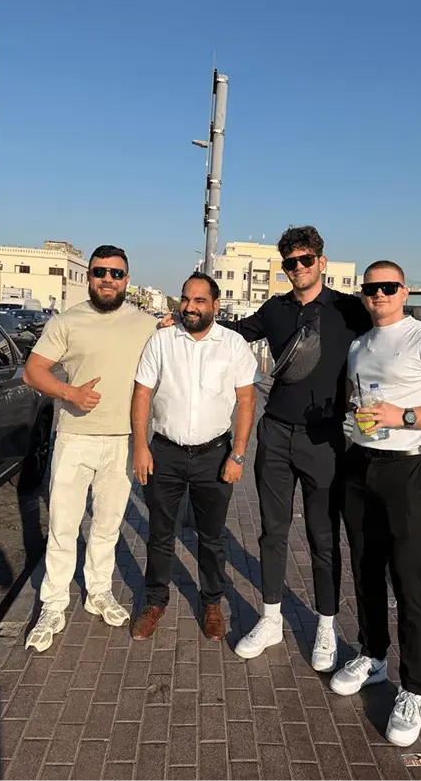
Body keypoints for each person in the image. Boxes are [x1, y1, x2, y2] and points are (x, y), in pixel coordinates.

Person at [160, 227, 421, 673]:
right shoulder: (274, 309)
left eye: (305, 260)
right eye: (290, 262)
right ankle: (271, 619)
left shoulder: (350, 308)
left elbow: (400, 323)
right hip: (275, 434)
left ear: (321, 263)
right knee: (272, 531)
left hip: (326, 441)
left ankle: (326, 626)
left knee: (322, 537)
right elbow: (227, 330)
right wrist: (183, 318)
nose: (298, 269)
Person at [330, 261, 421, 748]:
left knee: (410, 580)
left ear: (404, 290)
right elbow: (361, 397)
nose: (378, 296)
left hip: (410, 468)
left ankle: (415, 688)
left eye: (388, 287)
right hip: (362, 465)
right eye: (370, 289)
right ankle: (373, 656)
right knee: (366, 570)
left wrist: (406, 415)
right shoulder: (359, 344)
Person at [23, 245, 157, 652]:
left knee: (107, 525)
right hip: (75, 438)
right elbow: (32, 370)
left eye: (116, 273)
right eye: (100, 272)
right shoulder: (68, 321)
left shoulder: (146, 324)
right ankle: (53, 603)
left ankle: (98, 591)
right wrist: (69, 393)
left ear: (127, 280)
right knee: (63, 526)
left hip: (120, 441)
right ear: (89, 277)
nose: (108, 280)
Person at [130, 273, 261, 641]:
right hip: (165, 453)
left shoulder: (233, 345)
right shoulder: (162, 341)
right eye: (186, 299)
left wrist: (237, 455)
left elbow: (247, 400)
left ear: (215, 306)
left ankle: (212, 603)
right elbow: (142, 394)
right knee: (159, 533)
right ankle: (155, 601)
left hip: (214, 454)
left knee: (213, 536)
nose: (190, 306)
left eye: (200, 300)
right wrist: (141, 446)